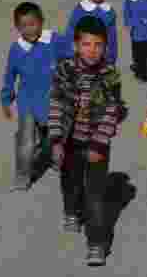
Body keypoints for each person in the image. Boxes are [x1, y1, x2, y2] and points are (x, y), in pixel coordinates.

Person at [49, 16, 128, 267]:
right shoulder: (65, 71)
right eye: (86, 44)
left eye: (98, 45)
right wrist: (56, 140)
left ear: (105, 47)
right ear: (75, 45)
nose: (92, 50)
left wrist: (98, 145)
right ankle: (71, 211)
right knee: (70, 181)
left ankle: (96, 243)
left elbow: (112, 111)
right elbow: (56, 106)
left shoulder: (110, 74)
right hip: (70, 141)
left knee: (95, 195)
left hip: (97, 145)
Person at [0, 2, 73, 191]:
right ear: (17, 28)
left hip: (55, 101)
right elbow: (9, 76)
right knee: (26, 141)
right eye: (23, 26)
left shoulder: (54, 40)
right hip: (28, 104)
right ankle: (23, 177)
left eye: (33, 24)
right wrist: (6, 99)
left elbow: (73, 57)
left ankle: (57, 159)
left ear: (41, 22)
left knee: (57, 136)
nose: (29, 29)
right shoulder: (17, 49)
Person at [65, 0, 119, 66]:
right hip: (83, 60)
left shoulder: (109, 11)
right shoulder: (80, 10)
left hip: (103, 60)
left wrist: (112, 59)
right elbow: (70, 35)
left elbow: (112, 38)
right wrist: (70, 57)